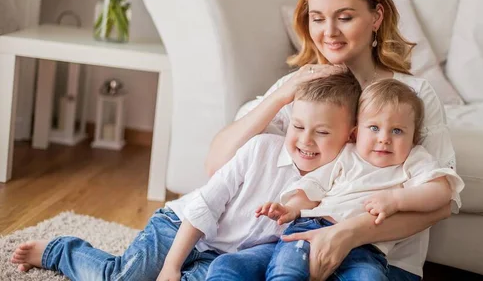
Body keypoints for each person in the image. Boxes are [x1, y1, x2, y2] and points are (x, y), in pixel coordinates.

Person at [207, 0, 459, 280]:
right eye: (318, 18)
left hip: (381, 262)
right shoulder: (302, 88)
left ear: (376, 16)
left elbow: (441, 203)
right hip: (297, 248)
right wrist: (282, 95)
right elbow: (217, 165)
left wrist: (347, 234)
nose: (329, 32)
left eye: (344, 17)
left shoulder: (413, 95)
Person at [11, 72, 361, 281]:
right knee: (122, 276)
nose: (306, 140)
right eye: (299, 126)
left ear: (350, 135)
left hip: (220, 257)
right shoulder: (260, 149)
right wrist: (171, 266)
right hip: (179, 227)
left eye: (323, 133)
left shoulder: (340, 178)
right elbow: (206, 205)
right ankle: (59, 250)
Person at [257, 79, 464, 280]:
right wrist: (291, 209)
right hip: (312, 227)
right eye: (374, 128)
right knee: (287, 271)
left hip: (367, 246)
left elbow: (441, 192)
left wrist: (396, 200)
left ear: (414, 138)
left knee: (370, 276)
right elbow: (312, 187)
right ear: (355, 133)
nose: (384, 138)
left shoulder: (414, 159)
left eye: (397, 130)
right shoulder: (346, 154)